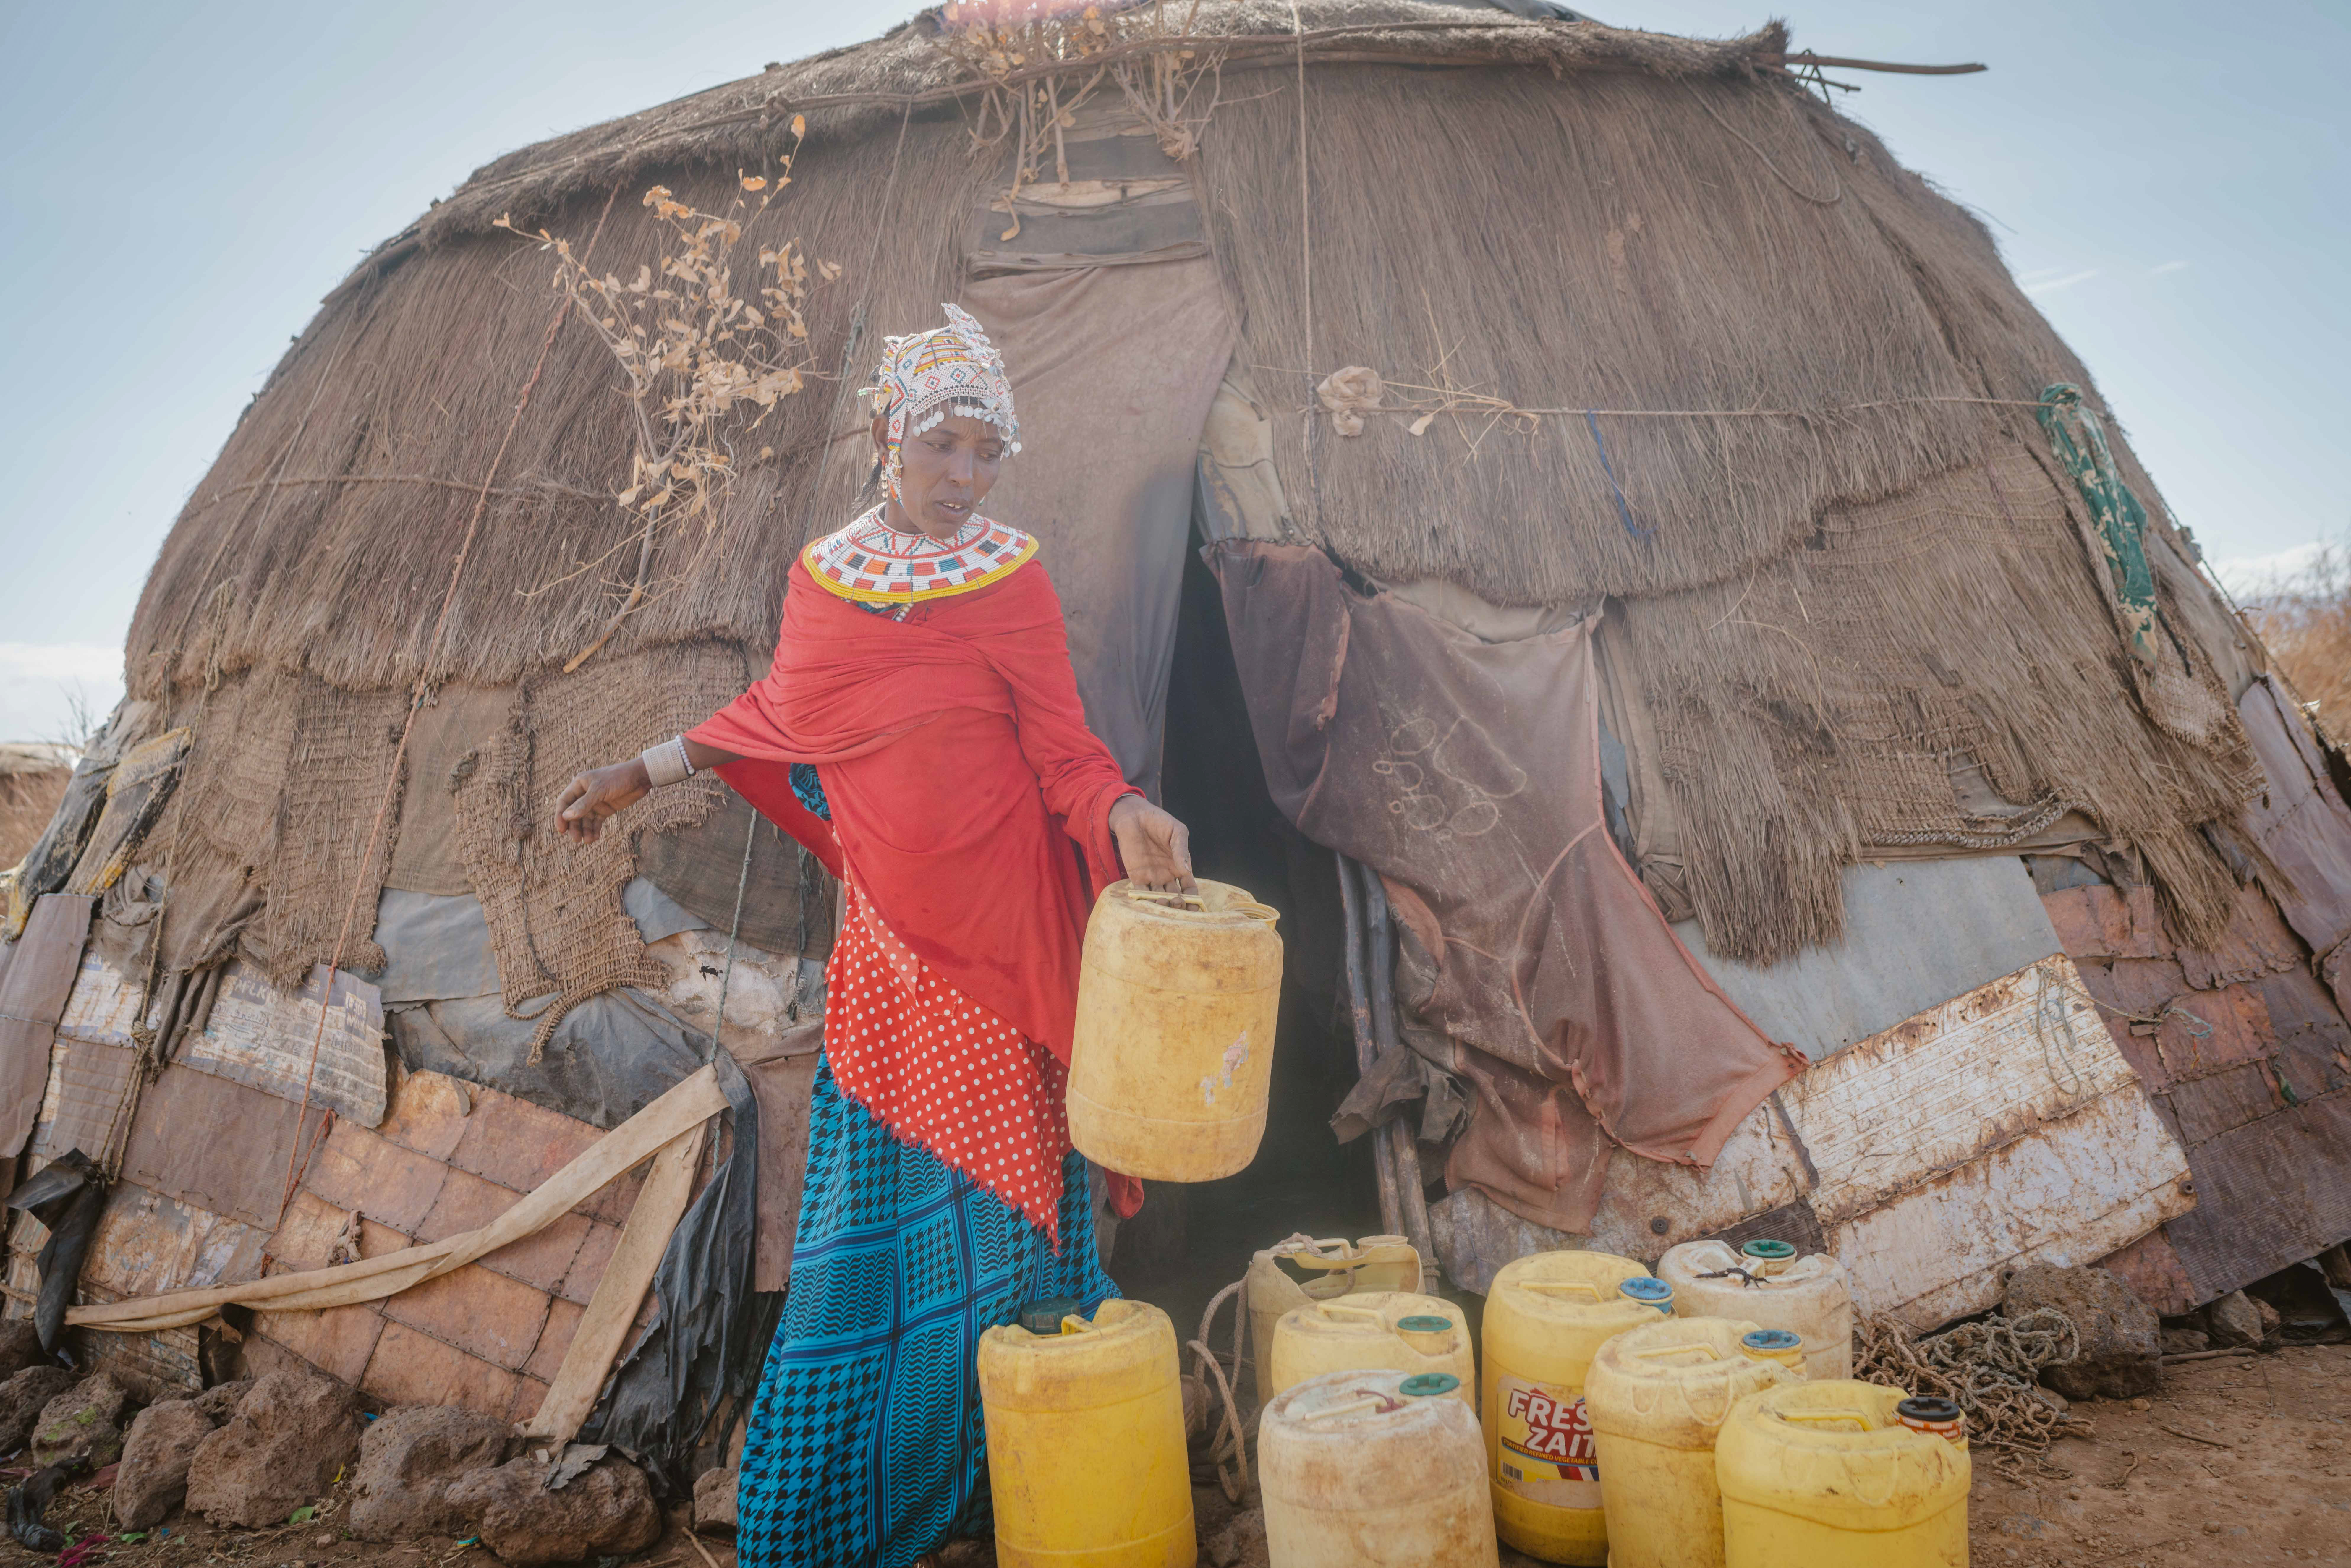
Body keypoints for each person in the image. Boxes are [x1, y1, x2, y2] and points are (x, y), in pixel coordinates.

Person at [553, 304, 1195, 1568]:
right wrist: (638, 769)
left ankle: (994, 1476)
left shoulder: (1008, 576)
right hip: (893, 948)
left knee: (1009, 1219)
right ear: (886, 437)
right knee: (867, 1231)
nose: (962, 478)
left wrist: (1119, 809)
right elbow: (779, 714)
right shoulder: (822, 579)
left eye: (982, 454)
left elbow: (1062, 748)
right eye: (941, 447)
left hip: (1008, 935)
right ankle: (843, 1504)